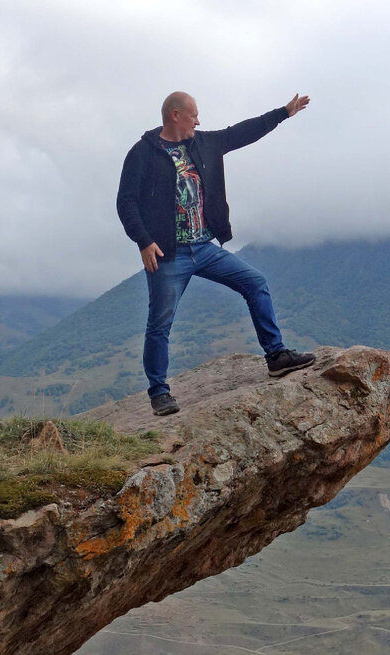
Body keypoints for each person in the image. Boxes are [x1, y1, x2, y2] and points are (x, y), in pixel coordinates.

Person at [117, 90, 316, 416]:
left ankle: (277, 356)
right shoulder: (143, 153)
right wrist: (143, 241)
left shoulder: (204, 143)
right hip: (168, 255)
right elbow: (126, 202)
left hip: (204, 247)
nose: (198, 121)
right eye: (194, 115)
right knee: (159, 323)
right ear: (175, 115)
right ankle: (159, 393)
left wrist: (283, 113)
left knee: (255, 282)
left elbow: (241, 133)